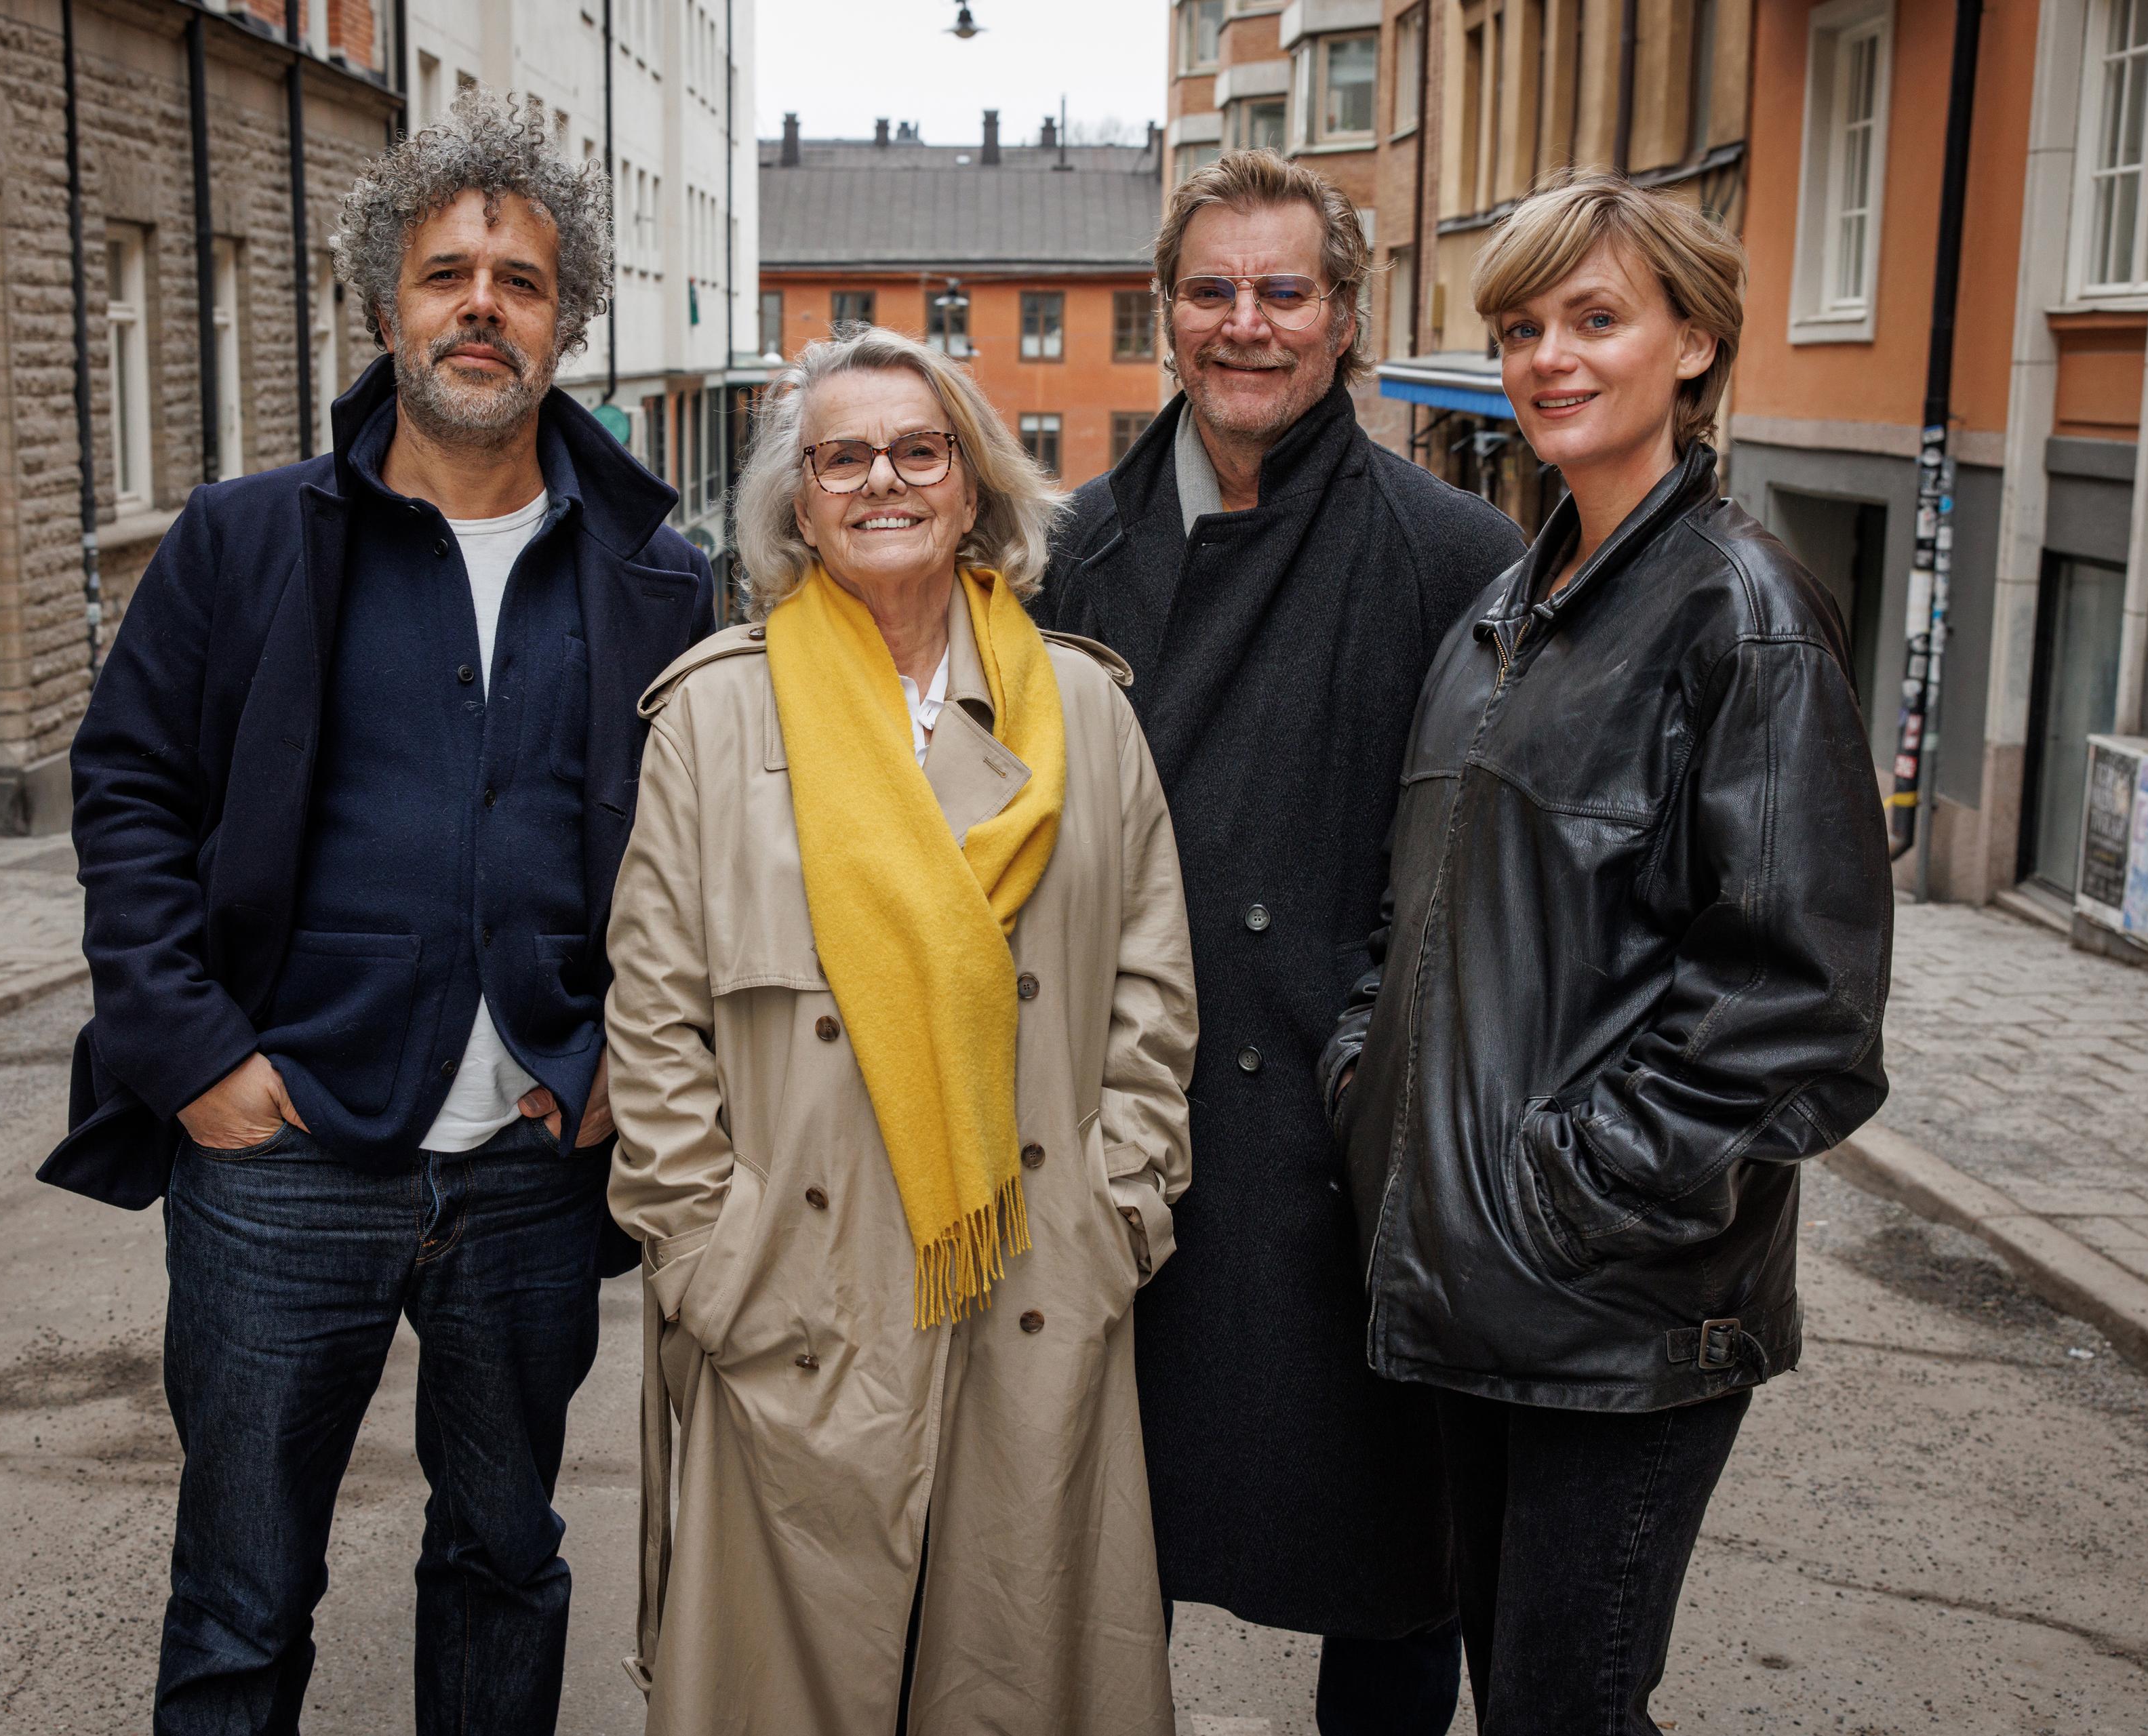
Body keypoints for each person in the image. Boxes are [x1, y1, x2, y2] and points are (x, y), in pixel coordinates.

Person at [41, 92, 715, 1735]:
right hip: (285, 1158)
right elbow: (127, 795)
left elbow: (698, 858)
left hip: (533, 1170)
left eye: (523, 278)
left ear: (568, 320)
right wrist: (196, 1056)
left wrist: (628, 1057)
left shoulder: (657, 576)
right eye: (446, 272)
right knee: (243, 1590)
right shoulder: (247, 540)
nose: (482, 303)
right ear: (384, 304)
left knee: (503, 1558)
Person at [1324, 170, 1895, 1733]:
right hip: (1465, 1292)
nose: (1550, 359)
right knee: (1521, 1698)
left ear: (1695, 344)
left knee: (1562, 1713)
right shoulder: (1508, 613)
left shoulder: (1743, 614)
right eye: (1521, 328)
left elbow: (1803, 1007)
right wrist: (1365, 1076)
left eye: (1596, 319)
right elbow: (1414, 909)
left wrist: (1570, 1193)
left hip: (1613, 1314)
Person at [604, 325, 1198, 1735]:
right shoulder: (713, 717)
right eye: (843, 456)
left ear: (975, 484)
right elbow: (653, 1017)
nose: (883, 481)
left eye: (919, 450)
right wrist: (709, 1256)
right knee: (795, 1680)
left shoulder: (1085, 717)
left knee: (1015, 1666)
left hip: (1031, 1270)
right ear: (798, 502)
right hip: (794, 1295)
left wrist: (1122, 1211)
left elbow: (1153, 993)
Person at [1033, 149, 1525, 1731]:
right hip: (1121, 1144)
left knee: (1392, 1581)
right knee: (1095, 1570)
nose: (1247, 325)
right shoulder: (1064, 555)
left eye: (1284, 292)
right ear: (1168, 314)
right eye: (1212, 291)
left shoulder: (1456, 560)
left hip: (1344, 1158)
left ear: (1345, 320)